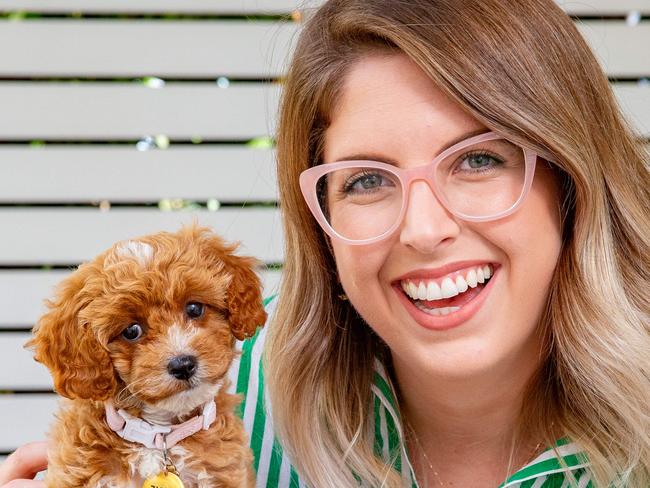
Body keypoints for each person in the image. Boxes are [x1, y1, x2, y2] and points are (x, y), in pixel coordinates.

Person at [2, 0, 649, 486]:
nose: (424, 230)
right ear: (321, 223)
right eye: (367, 179)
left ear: (572, 181)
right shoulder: (230, 392)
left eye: (479, 160)